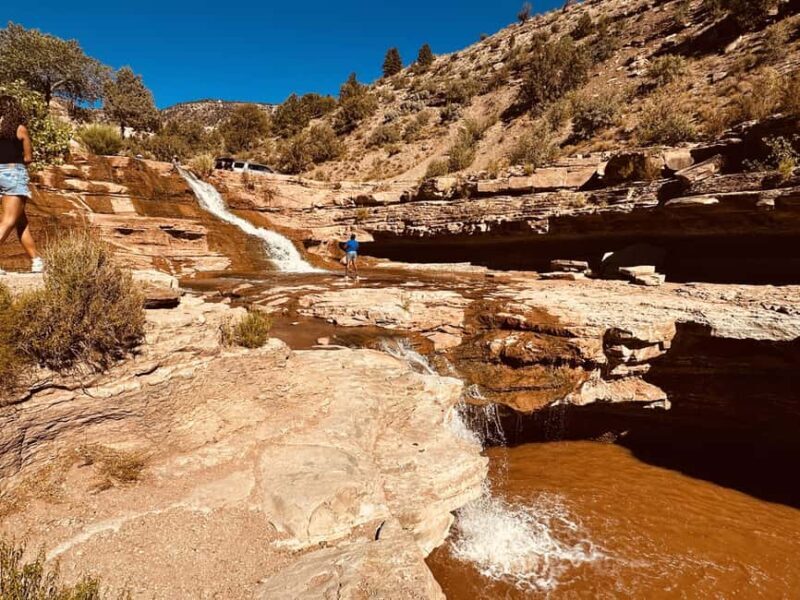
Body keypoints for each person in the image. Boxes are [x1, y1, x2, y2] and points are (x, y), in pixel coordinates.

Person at [0, 95, 43, 274]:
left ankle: (36, 261)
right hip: (13, 173)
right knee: (9, 220)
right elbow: (28, 158)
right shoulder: (20, 130)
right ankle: (36, 261)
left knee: (20, 220)